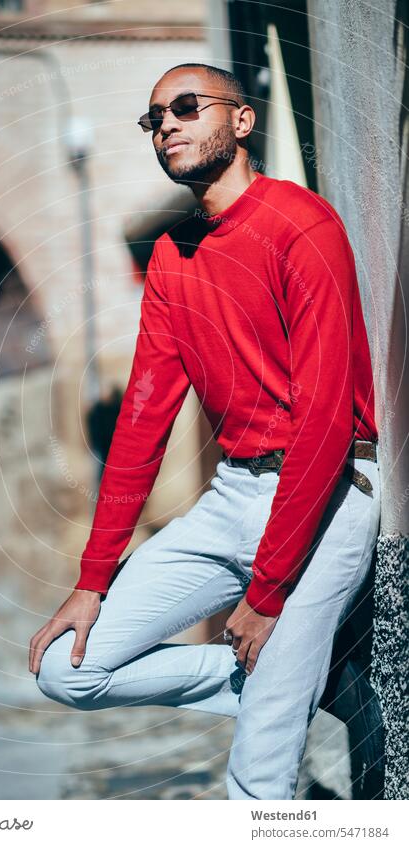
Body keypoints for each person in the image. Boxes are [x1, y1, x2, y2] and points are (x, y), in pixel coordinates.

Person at [29, 63, 381, 800]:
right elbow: (142, 422)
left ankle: (283, 681)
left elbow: (322, 419)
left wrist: (268, 591)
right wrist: (94, 578)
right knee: (68, 668)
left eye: (187, 107)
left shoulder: (302, 224)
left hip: (321, 499)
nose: (168, 126)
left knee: (257, 776)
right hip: (231, 497)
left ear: (242, 121)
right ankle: (276, 676)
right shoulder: (172, 257)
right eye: (154, 118)